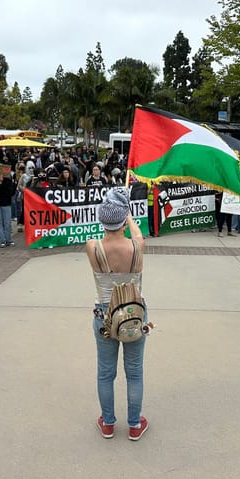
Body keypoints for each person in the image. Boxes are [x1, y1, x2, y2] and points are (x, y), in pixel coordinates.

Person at [85, 188, 149, 441]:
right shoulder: (137, 247)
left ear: (102, 220)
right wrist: (128, 213)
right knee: (134, 371)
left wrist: (116, 213)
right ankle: (134, 424)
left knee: (105, 372)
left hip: (105, 314)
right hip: (134, 311)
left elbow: (107, 231)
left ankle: (108, 423)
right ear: (124, 220)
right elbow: (136, 234)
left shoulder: (93, 247)